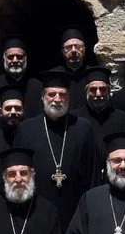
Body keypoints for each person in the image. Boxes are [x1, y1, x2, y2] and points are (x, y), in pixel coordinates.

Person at [16, 68, 102, 225]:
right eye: (51, 94)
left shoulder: (83, 128)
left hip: (76, 211)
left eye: (62, 94)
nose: (57, 99)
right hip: (35, 211)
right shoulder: (26, 129)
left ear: (69, 98)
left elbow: (93, 175)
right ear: (42, 97)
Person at [82, 65, 125, 144]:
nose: (98, 94)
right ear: (86, 91)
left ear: (109, 91)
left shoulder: (122, 119)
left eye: (103, 89)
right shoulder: (76, 118)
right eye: (93, 89)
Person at [0, 36, 44, 110]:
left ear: (25, 58)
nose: (15, 60)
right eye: (10, 57)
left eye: (19, 57)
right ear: (4, 58)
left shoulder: (38, 88)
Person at [60, 27, 93, 109]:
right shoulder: (55, 75)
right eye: (69, 47)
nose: (74, 50)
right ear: (63, 51)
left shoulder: (92, 74)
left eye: (78, 46)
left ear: (84, 50)